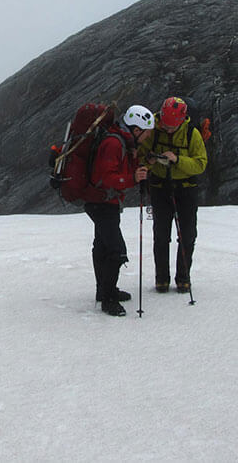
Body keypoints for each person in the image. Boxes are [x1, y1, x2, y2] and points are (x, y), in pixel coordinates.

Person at [85, 104, 152, 316]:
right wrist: (133, 178)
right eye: (146, 132)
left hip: (103, 201)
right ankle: (108, 299)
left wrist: (136, 168)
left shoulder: (121, 140)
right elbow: (106, 177)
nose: (146, 137)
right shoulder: (114, 143)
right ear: (136, 128)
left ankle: (104, 290)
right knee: (116, 249)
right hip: (102, 201)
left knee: (103, 245)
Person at [137, 97, 208, 294]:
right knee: (161, 235)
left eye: (172, 126)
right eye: (165, 125)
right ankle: (162, 279)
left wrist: (177, 160)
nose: (167, 129)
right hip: (160, 187)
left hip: (185, 188)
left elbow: (201, 164)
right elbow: (141, 154)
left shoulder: (192, 134)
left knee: (187, 235)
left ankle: (183, 278)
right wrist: (150, 160)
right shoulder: (153, 129)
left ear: (181, 121)